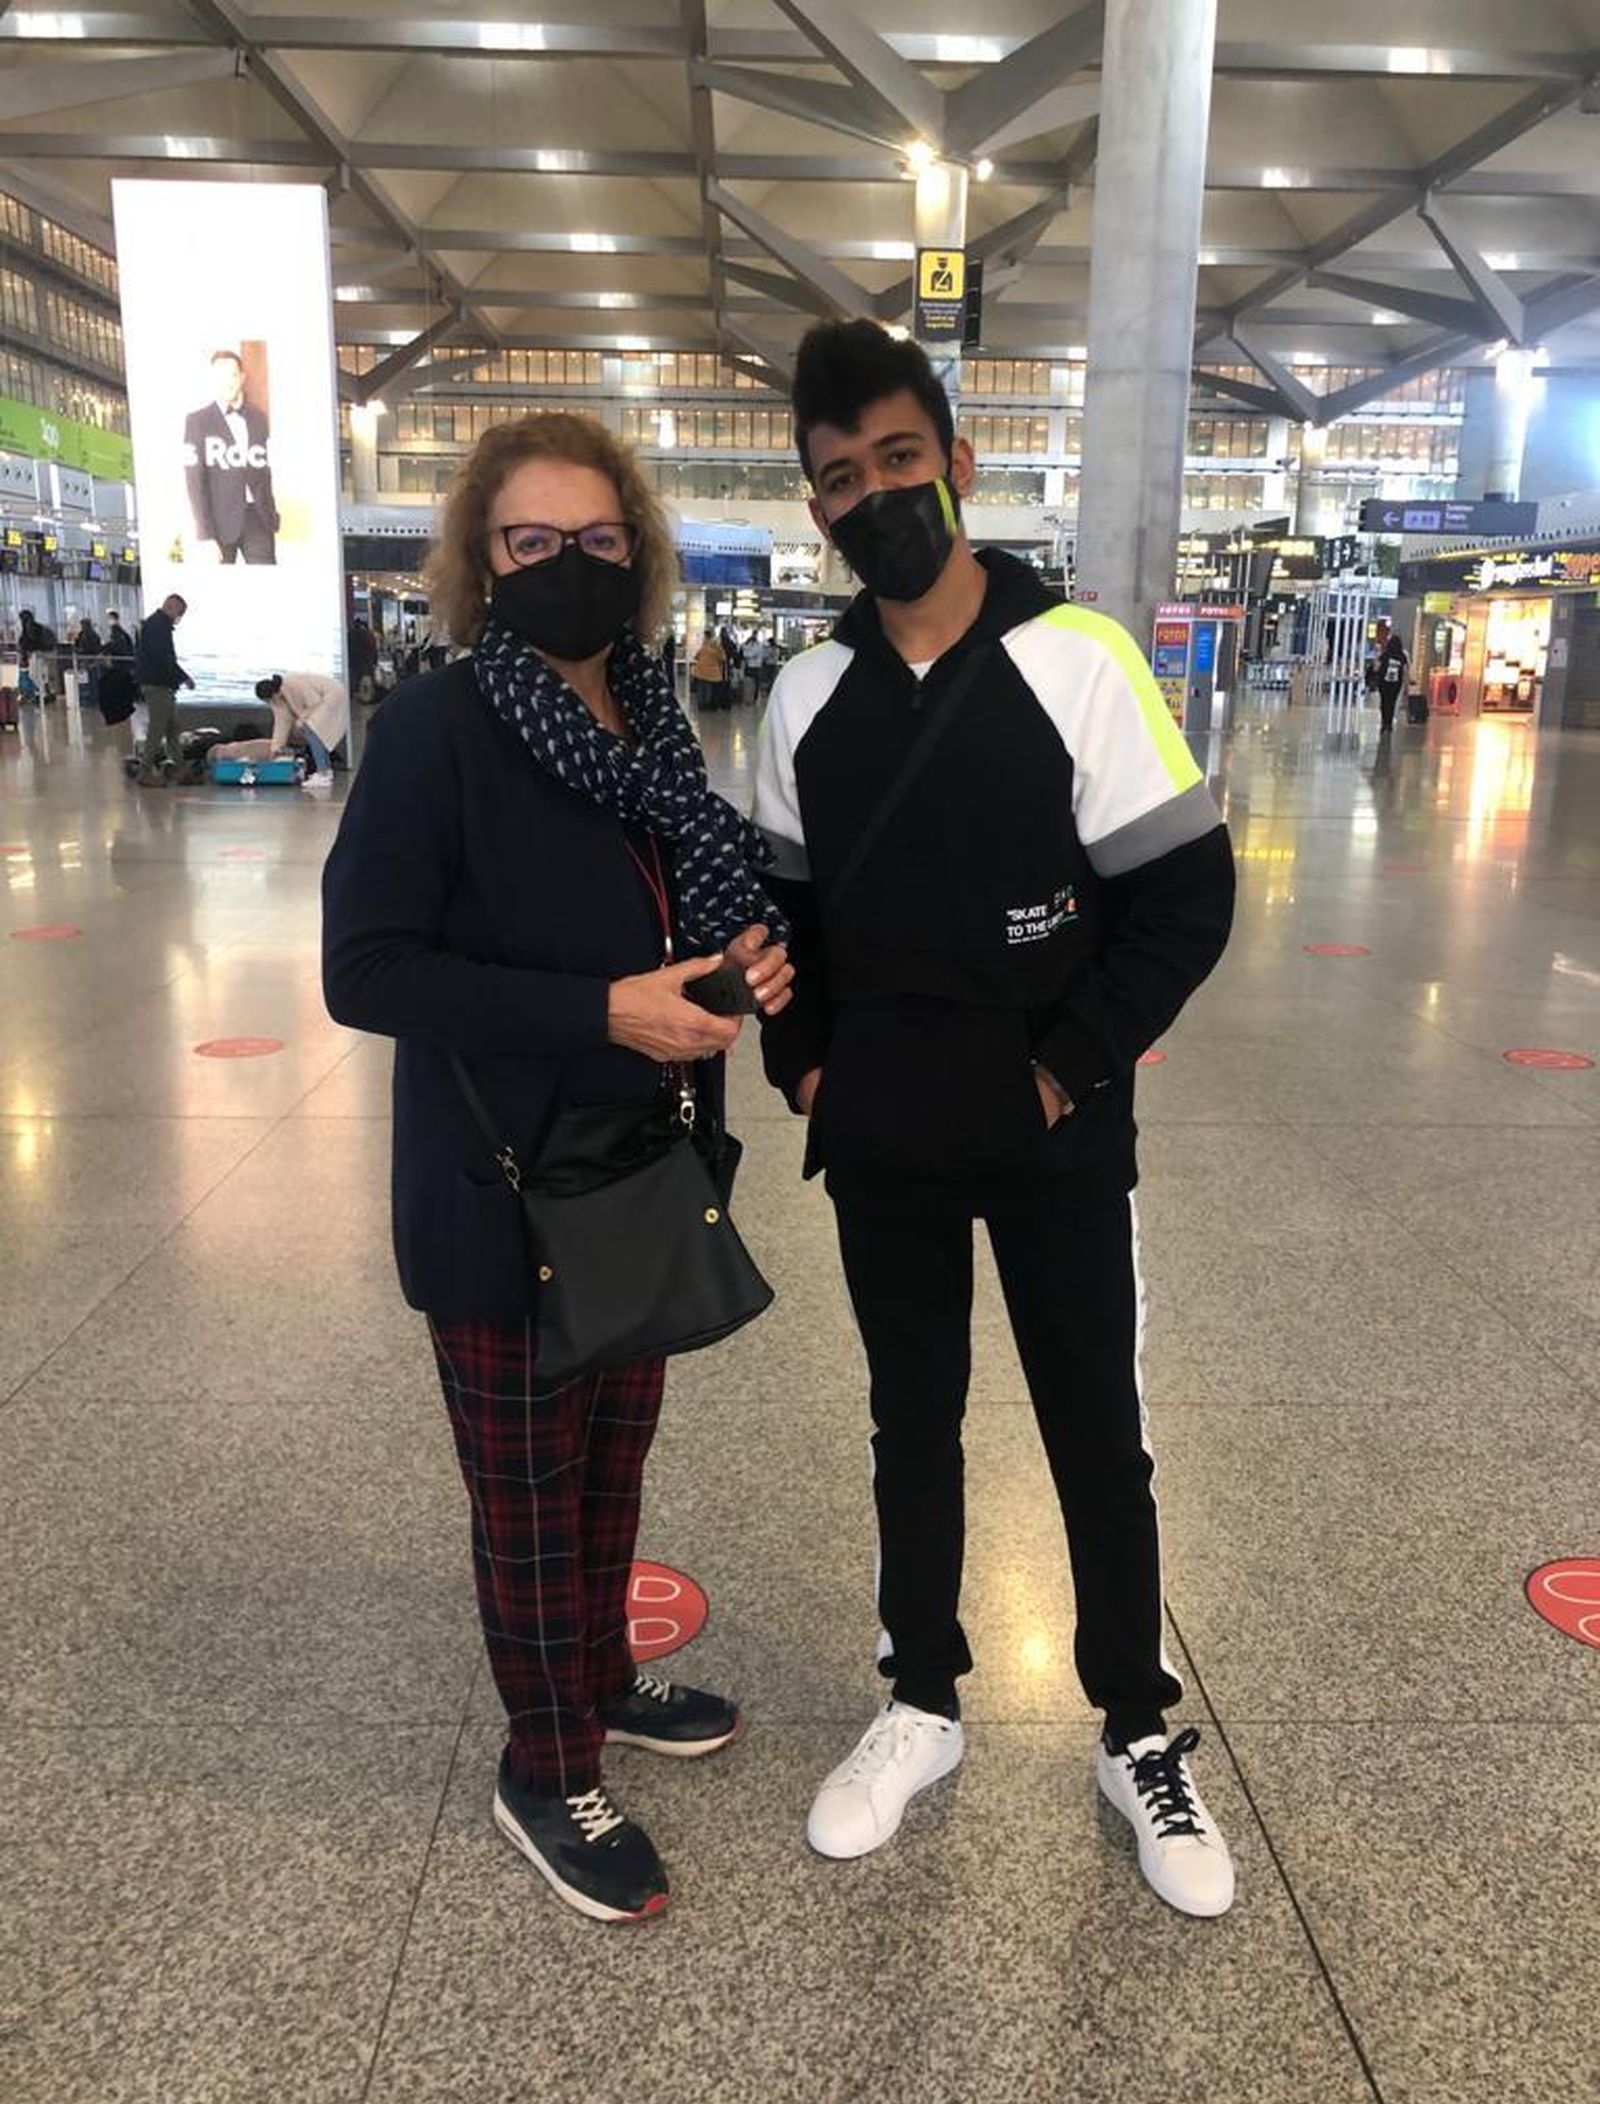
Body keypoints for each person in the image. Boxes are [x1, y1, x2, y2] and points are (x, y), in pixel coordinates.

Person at [753, 319, 1239, 1919]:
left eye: (899, 460)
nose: (874, 495)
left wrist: (1065, 1066)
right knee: (912, 1421)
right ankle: (922, 1699)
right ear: (816, 507)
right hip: (882, 1136)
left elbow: (1183, 895)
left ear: (956, 464)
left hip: (1055, 1134)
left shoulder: (1077, 659)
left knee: (1097, 1422)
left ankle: (1135, 1721)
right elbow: (780, 923)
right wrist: (808, 1068)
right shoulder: (805, 698)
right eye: (840, 478)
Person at [322, 411, 795, 1926]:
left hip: (632, 1175)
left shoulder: (650, 725)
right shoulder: (437, 731)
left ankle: (596, 1677)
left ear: (639, 558)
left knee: (609, 1465)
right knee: (526, 1494)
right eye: (532, 542)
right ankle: (546, 1761)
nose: (568, 567)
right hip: (498, 1189)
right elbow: (368, 967)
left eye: (598, 542)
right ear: (481, 562)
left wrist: (735, 967)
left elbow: (660, 911)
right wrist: (601, 1008)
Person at [183, 349, 279, 565]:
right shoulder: (197, 421)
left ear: (242, 378)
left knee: (268, 587)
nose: (227, 382)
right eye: (220, 376)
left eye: (232, 375)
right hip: (219, 520)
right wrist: (205, 533)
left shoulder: (257, 418)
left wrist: (271, 514)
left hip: (257, 517)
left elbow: (264, 471)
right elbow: (194, 481)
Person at [134, 594, 194, 786]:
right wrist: (183, 677)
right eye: (180, 613)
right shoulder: (158, 626)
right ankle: (144, 772)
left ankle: (181, 769)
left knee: (172, 727)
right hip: (158, 685)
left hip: (162, 685)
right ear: (171, 607)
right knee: (158, 729)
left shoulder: (157, 625)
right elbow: (164, 658)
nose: (180, 617)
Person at [255, 670, 349, 788]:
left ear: (274, 693)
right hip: (321, 701)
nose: (271, 702)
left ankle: (323, 773)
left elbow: (315, 701)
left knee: (312, 729)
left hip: (332, 694)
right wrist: (275, 749)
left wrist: (303, 718)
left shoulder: (293, 684)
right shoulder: (277, 700)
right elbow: (281, 724)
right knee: (313, 731)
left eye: (270, 699)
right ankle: (326, 771)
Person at [1370, 621, 1409, 736]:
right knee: (1392, 702)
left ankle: (1384, 722)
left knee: (1384, 702)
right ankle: (1389, 723)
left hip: (1384, 682)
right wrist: (1407, 685)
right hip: (1396, 684)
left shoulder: (1385, 654)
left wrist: (1376, 658)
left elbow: (1376, 667)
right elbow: (1405, 671)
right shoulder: (1402, 656)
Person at [690, 629, 725, 713]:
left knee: (701, 688)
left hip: (701, 670)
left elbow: (696, 657)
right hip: (712, 672)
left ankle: (701, 705)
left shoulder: (703, 647)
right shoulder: (716, 647)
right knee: (708, 689)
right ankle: (706, 705)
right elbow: (722, 658)